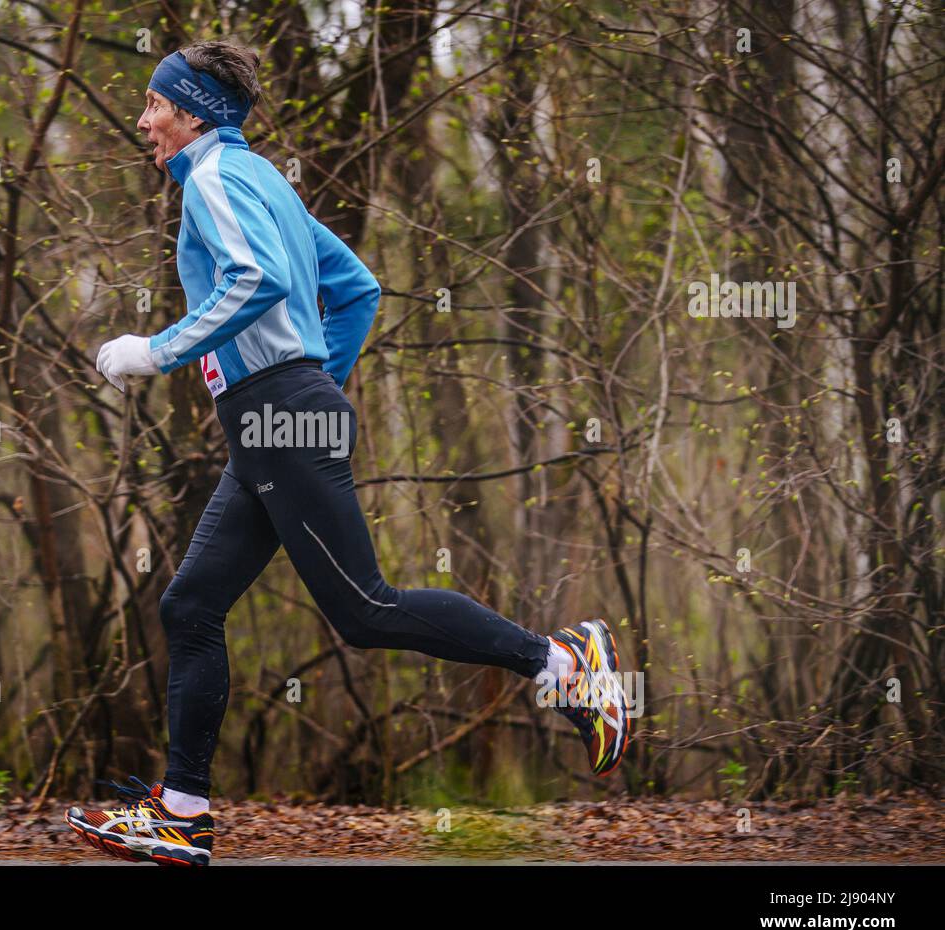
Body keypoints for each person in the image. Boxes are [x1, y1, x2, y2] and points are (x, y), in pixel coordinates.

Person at [66, 39, 631, 867]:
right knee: (190, 608)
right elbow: (358, 285)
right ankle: (181, 814)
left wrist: (159, 350)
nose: (144, 120)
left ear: (192, 112)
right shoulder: (267, 183)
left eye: (156, 105)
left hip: (278, 415)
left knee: (365, 609)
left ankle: (563, 661)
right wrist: (313, 387)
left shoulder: (216, 180)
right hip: (277, 417)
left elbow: (254, 278)